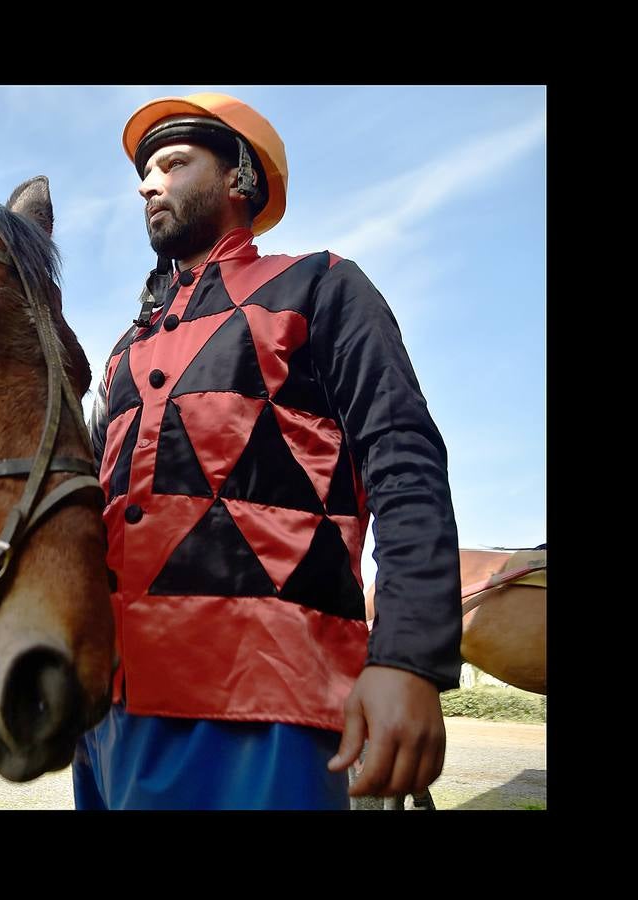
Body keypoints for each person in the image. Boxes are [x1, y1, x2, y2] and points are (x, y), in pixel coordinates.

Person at [75, 92, 463, 809]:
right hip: (109, 707)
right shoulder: (124, 350)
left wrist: (409, 657)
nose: (146, 184)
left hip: (265, 697)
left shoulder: (320, 283)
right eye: (143, 171)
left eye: (172, 163)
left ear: (238, 179)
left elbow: (402, 458)